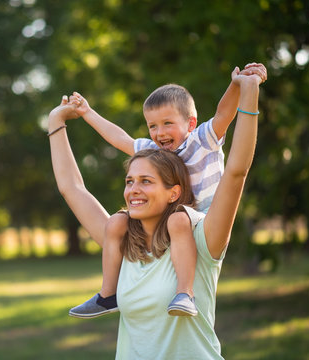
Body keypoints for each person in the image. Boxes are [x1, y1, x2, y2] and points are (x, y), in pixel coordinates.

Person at [47, 71, 261, 359]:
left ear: (173, 192)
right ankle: (105, 296)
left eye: (146, 181)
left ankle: (185, 295)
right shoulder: (124, 241)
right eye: (129, 181)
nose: (133, 189)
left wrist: (248, 90)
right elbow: (71, 188)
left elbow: (236, 171)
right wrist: (56, 121)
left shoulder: (201, 239)